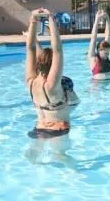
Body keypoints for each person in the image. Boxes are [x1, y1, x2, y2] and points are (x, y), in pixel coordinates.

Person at [25, 8, 75, 142]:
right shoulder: (52, 85)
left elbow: (30, 48)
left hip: (39, 128)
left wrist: (33, 19)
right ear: (53, 65)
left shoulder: (30, 83)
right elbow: (57, 49)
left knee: (33, 158)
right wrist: (51, 19)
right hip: (58, 129)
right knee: (62, 158)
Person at [87, 9, 110, 79]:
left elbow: (108, 35)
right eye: (105, 53)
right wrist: (97, 20)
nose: (107, 55)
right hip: (97, 88)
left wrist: (107, 19)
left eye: (108, 53)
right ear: (99, 50)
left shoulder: (106, 56)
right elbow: (93, 38)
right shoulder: (93, 58)